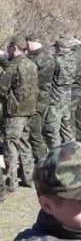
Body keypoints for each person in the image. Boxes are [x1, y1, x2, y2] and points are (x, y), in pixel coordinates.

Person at [0, 36, 38, 192]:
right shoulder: (31, 64)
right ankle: (29, 178)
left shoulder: (13, 67)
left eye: (9, 47)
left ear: (14, 48)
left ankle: (12, 181)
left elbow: (2, 89)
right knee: (24, 143)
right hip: (29, 110)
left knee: (10, 145)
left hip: (14, 112)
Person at [26, 36, 56, 163]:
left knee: (34, 133)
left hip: (35, 99)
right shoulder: (50, 58)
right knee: (39, 131)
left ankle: (42, 163)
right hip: (45, 97)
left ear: (32, 43)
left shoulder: (33, 60)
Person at [43, 37, 75, 149]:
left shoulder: (55, 60)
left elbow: (45, 77)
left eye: (56, 47)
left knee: (52, 128)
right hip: (67, 96)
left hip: (55, 97)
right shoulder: (73, 59)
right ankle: (72, 152)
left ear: (60, 48)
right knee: (66, 127)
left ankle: (55, 154)